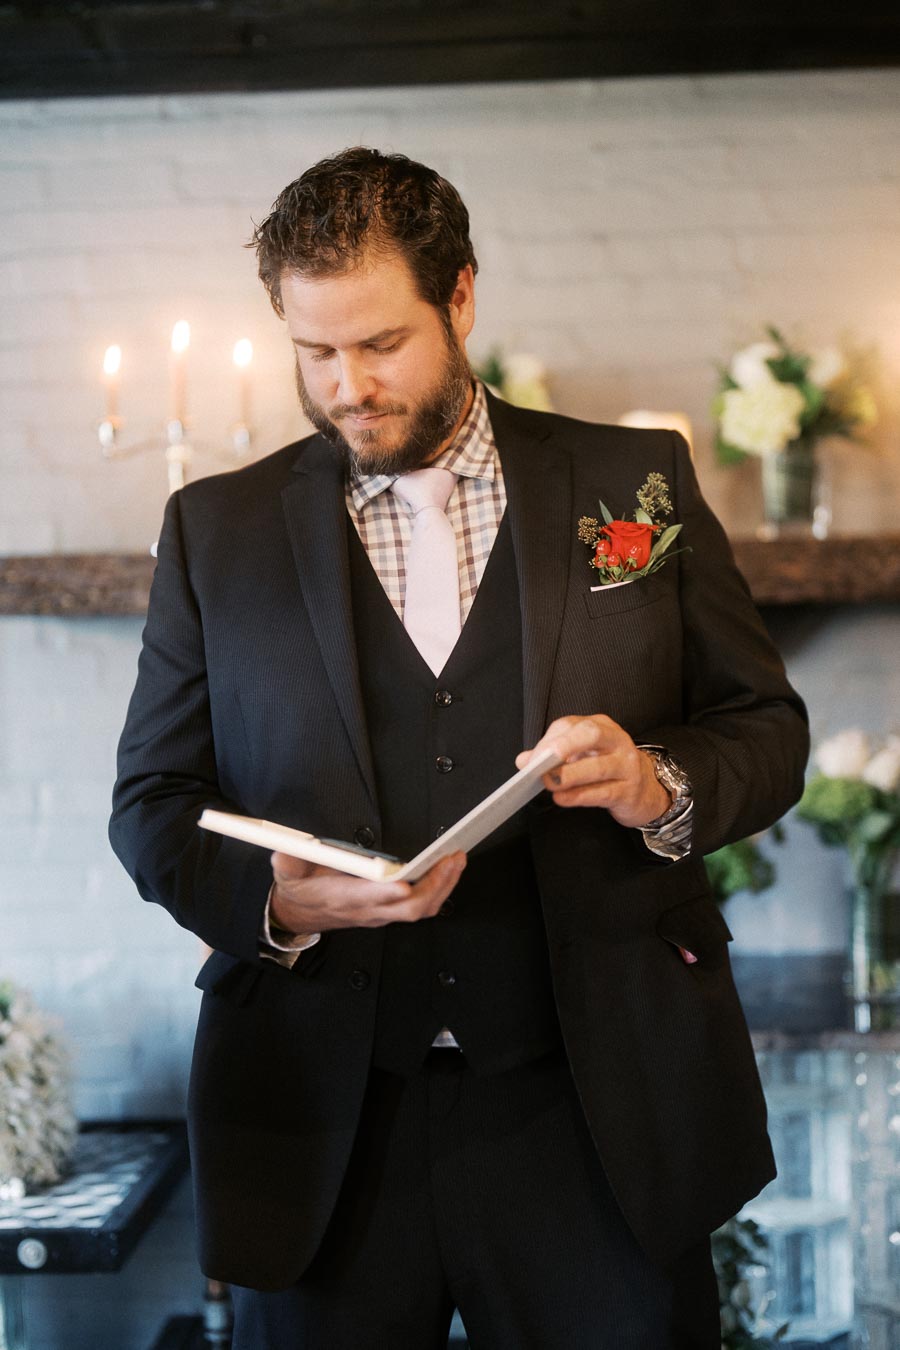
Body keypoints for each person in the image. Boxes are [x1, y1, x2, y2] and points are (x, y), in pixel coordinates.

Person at [110, 147, 809, 1349]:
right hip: (325, 1122)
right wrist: (277, 902)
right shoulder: (213, 532)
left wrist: (656, 782)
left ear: (464, 298)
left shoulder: (631, 480)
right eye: (313, 352)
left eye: (380, 344)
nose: (347, 388)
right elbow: (152, 803)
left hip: (596, 1115)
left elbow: (766, 730)